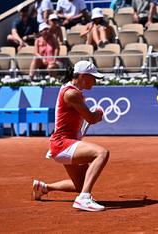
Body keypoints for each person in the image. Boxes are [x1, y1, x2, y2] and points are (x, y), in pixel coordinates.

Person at [32, 60, 109, 212]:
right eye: (93, 77)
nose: (95, 81)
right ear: (82, 76)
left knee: (80, 184)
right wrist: (99, 112)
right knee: (102, 153)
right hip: (62, 144)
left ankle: (44, 188)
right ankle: (84, 198)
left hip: (63, 144)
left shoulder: (72, 91)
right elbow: (92, 118)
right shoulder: (72, 93)